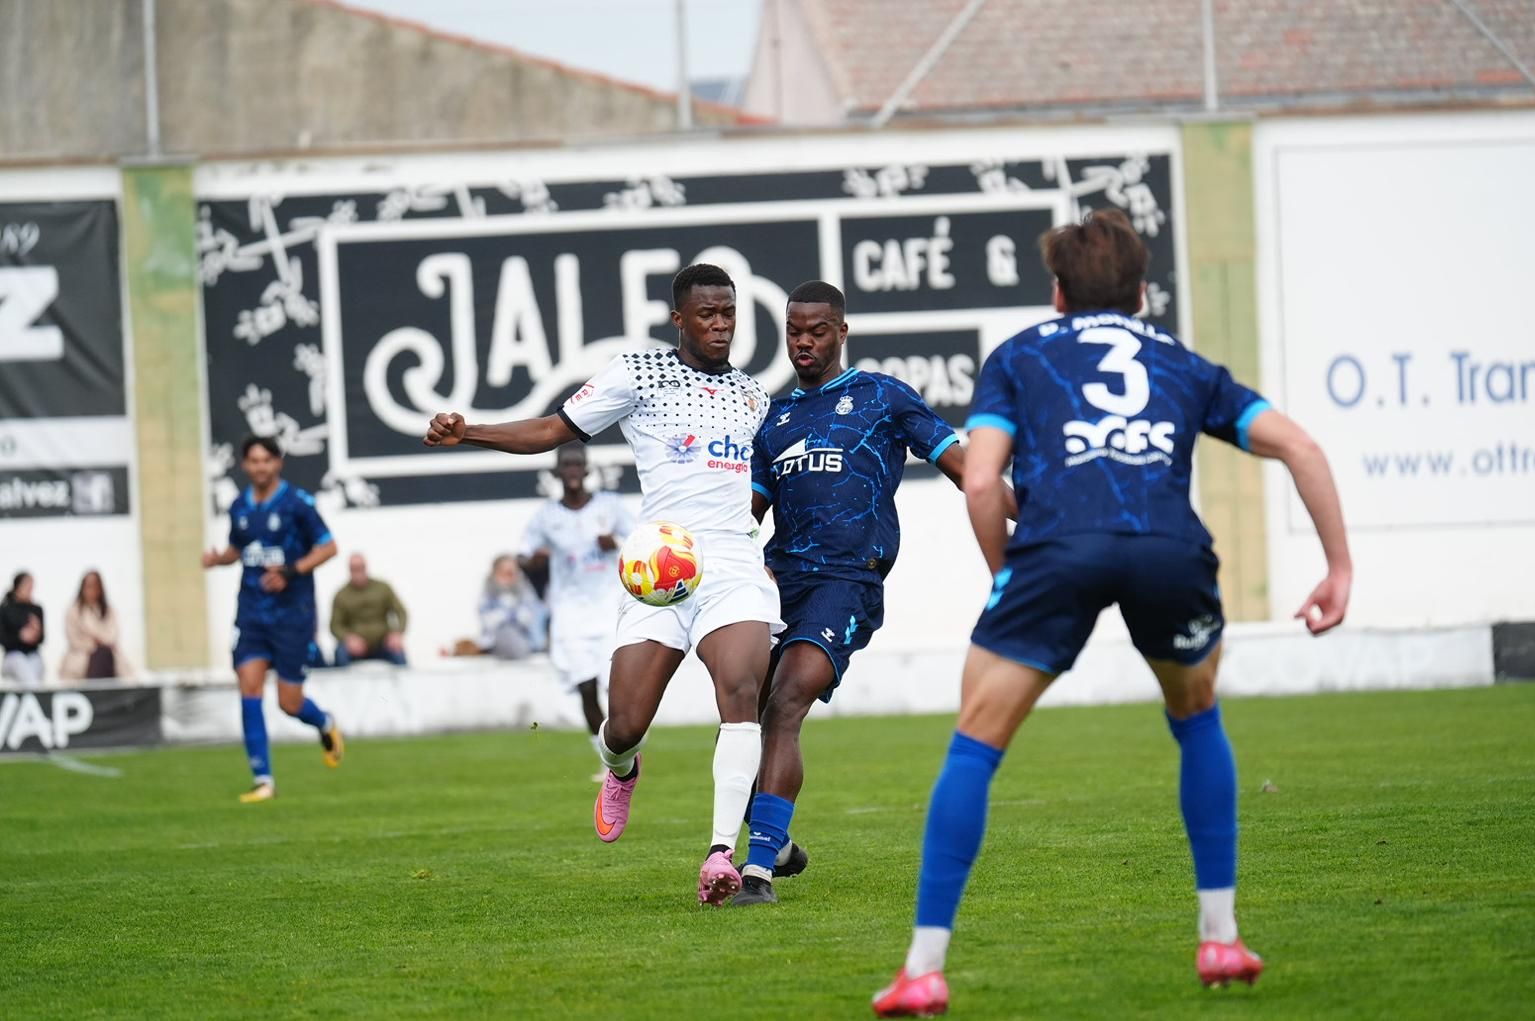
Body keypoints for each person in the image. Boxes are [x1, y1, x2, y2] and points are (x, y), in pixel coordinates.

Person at [872, 210, 1353, 1016]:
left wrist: (1006, 577)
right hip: (1169, 550)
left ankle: (924, 967)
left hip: (1056, 549)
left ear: (1057, 293)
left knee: (976, 743)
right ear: (1141, 293)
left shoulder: (1019, 355)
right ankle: (1221, 935)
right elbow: (1301, 446)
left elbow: (982, 482)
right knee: (1197, 716)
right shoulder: (1184, 362)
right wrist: (1338, 568)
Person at [425, 262, 783, 906]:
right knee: (623, 724)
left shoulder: (754, 394)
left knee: (741, 690)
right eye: (707, 314)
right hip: (661, 570)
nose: (721, 324)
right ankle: (622, 767)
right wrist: (469, 431)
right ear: (679, 319)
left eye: (729, 312)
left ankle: (720, 854)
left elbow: (766, 484)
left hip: (732, 564)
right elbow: (550, 430)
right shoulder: (638, 372)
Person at [732, 280, 1000, 906]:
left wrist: (1031, 513)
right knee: (743, 720)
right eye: (794, 330)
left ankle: (758, 872)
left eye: (817, 330)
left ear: (842, 332)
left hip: (847, 581)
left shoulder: (882, 397)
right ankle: (778, 842)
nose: (803, 341)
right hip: (776, 584)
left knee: (788, 699)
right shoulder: (774, 420)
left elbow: (968, 471)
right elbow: (747, 518)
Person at [202, 434, 346, 803]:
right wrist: (219, 559)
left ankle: (324, 722)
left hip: (292, 614)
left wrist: (292, 571)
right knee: (249, 687)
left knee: (289, 703)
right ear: (245, 465)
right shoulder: (239, 506)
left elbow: (329, 547)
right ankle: (263, 780)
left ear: (278, 463)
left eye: (266, 460)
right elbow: (238, 549)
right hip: (251, 613)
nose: (260, 467)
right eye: (254, 461)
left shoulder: (298, 503)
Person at [519, 443, 634, 780]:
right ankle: (608, 760)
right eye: (566, 465)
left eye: (577, 464)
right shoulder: (546, 516)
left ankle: (627, 744)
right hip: (569, 611)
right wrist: (534, 561)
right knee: (585, 686)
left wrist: (615, 544)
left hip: (609, 606)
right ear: (557, 472)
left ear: (586, 469)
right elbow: (523, 555)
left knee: (616, 686)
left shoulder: (609, 506)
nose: (571, 470)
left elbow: (642, 541)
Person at [329, 553, 409, 666]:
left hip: (382, 642)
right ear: (349, 570)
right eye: (354, 569)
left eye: (360, 567)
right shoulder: (341, 595)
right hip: (355, 645)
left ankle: (404, 676)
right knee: (340, 654)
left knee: (398, 653)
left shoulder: (383, 588)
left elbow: (401, 612)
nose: (358, 572)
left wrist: (397, 633)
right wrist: (348, 638)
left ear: (366, 567)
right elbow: (335, 625)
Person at [59, 570, 135, 681]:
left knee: (103, 655)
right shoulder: (74, 611)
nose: (91, 590)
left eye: (95, 586)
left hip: (108, 658)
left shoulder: (109, 611)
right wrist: (93, 644)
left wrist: (97, 639)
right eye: (88, 586)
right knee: (99, 655)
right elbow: (74, 639)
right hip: (81, 660)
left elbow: (112, 636)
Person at [476, 554, 548, 659]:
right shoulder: (488, 592)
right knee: (507, 632)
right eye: (506, 573)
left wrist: (510, 614)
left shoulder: (524, 590)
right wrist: (510, 613)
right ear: (496, 572)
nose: (510, 577)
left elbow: (530, 617)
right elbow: (489, 621)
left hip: (525, 638)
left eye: (513, 573)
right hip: (496, 640)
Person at [0, 572, 45, 686]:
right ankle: (35, 694)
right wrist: (20, 637)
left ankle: (32, 694)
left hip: (32, 655)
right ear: (17, 587)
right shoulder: (5, 609)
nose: (30, 590)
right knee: (20, 663)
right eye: (27, 586)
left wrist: (37, 633)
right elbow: (3, 639)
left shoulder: (36, 609)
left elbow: (42, 639)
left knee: (35, 664)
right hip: (12, 657)